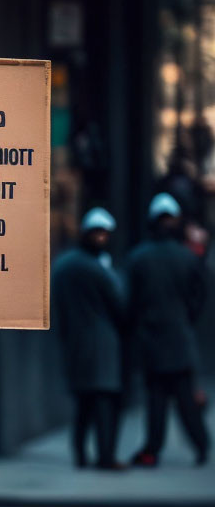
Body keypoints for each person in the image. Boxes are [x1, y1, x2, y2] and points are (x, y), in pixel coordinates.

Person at [128, 193, 210, 467]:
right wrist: (186, 319)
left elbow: (131, 301)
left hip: (152, 340)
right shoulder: (186, 258)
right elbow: (199, 298)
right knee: (186, 401)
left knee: (156, 402)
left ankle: (152, 450)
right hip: (179, 339)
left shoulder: (138, 258)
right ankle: (201, 445)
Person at [52, 207, 126, 469]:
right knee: (105, 404)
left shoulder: (63, 265)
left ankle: (81, 456)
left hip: (75, 343)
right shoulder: (98, 268)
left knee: (83, 405)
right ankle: (105, 457)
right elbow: (120, 304)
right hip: (104, 344)